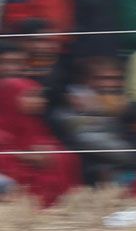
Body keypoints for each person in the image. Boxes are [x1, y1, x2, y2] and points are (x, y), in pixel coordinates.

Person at [0, 77, 82, 207]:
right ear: (9, 97)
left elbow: (53, 147)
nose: (39, 101)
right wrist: (23, 157)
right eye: (30, 95)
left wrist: (50, 155)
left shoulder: (35, 123)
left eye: (39, 96)